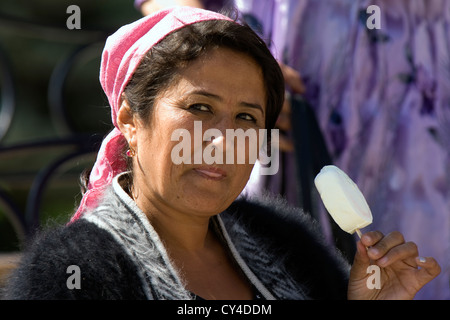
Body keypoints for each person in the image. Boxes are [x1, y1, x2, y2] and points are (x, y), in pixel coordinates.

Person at [2, 7, 440, 300]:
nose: (224, 139)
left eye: (247, 118)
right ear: (131, 120)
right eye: (199, 107)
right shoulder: (71, 275)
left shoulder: (287, 242)